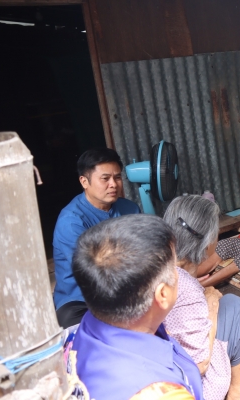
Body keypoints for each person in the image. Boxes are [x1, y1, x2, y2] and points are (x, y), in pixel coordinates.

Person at [70, 214, 203, 400]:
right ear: (162, 294)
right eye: (174, 267)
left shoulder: (86, 326)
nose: (177, 273)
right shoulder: (161, 393)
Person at [162, 195, 240, 400]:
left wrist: (238, 343)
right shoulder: (187, 288)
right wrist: (212, 306)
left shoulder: (160, 268)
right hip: (196, 390)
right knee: (233, 306)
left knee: (224, 312)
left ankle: (236, 370)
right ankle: (239, 389)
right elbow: (199, 365)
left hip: (168, 371)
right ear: (208, 241)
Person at [52, 148, 140, 329]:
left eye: (117, 177)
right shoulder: (71, 221)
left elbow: (145, 252)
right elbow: (92, 271)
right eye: (105, 178)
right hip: (81, 300)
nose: (113, 184)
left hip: (127, 290)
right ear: (84, 181)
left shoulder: (130, 209)